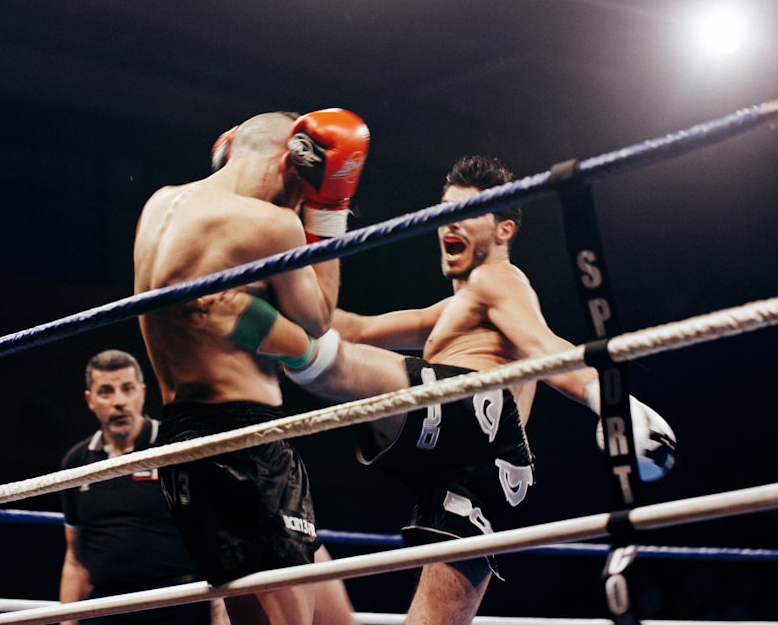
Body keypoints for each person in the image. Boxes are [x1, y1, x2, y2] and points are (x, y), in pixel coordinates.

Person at [193, 154, 678, 625]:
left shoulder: (498, 279)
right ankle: (277, 336)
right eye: (446, 213)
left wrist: (614, 404)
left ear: (504, 230)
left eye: (467, 213)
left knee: (328, 365)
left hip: (483, 427)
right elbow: (353, 326)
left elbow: (546, 348)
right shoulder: (451, 310)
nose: (451, 224)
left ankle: (265, 333)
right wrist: (275, 281)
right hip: (478, 472)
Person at [132, 109, 370, 625]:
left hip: (184, 439)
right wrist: (328, 206)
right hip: (245, 442)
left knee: (334, 620)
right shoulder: (273, 223)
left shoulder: (159, 205)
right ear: (294, 162)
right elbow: (319, 317)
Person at [59, 349, 228, 625]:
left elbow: (213, 537)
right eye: (106, 392)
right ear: (90, 400)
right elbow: (75, 558)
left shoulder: (175, 448)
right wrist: (67, 622)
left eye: (127, 389)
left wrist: (220, 611)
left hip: (178, 604)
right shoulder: (76, 461)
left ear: (142, 392)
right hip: (106, 607)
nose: (119, 402)